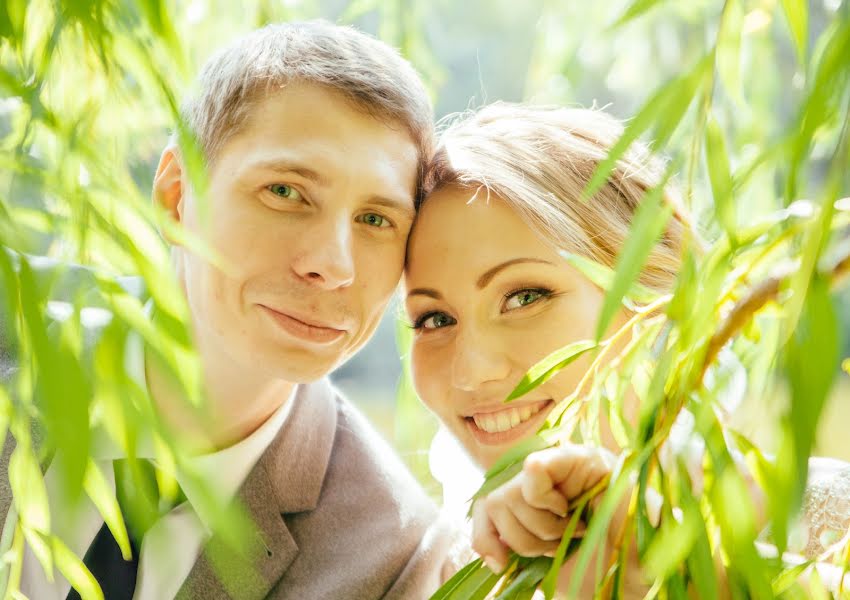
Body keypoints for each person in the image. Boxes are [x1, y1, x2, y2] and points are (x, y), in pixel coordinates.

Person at [0, 21, 461, 600]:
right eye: (286, 192)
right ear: (175, 195)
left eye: (375, 220)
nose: (333, 265)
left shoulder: (393, 559)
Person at [403, 103, 850, 595]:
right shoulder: (439, 575)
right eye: (434, 319)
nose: (471, 372)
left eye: (524, 297)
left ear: (654, 296)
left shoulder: (826, 524)